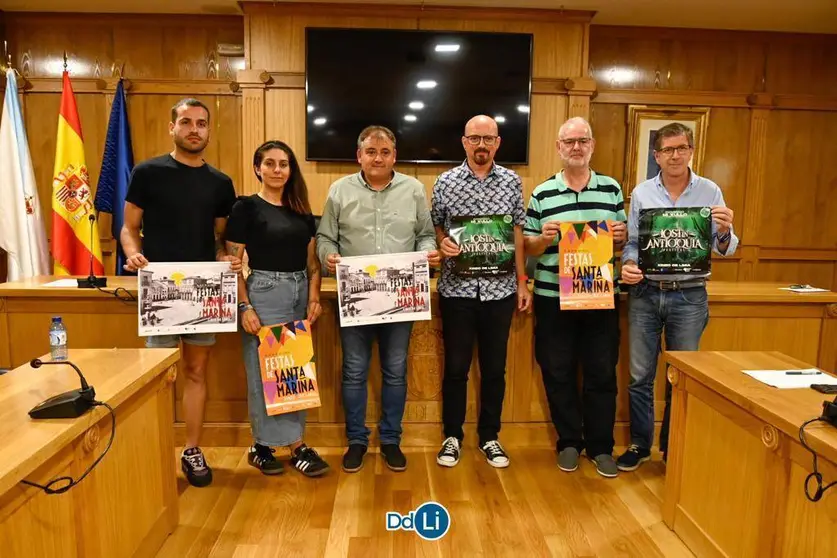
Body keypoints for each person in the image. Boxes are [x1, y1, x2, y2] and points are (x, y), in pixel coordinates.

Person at [121, 98, 240, 488]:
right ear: (172, 127)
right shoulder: (147, 172)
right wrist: (133, 253)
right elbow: (128, 228)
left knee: (195, 371)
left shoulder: (221, 183)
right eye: (186, 122)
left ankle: (191, 449)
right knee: (159, 376)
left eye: (201, 123)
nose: (194, 129)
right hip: (159, 290)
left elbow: (223, 239)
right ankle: (154, 447)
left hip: (204, 291)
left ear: (208, 130)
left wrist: (227, 256)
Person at [317, 125, 439, 473]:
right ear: (359, 156)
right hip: (355, 296)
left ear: (394, 157)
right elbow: (325, 238)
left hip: (402, 297)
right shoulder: (339, 191)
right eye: (371, 152)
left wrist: (428, 252)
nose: (378, 158)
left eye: (385, 152)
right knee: (354, 371)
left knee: (396, 371)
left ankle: (390, 440)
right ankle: (356, 440)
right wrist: (329, 257)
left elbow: (426, 236)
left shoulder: (414, 190)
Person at [617, 122, 738, 472]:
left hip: (689, 296)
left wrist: (727, 231)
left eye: (681, 148)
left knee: (681, 376)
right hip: (645, 293)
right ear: (656, 156)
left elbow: (725, 248)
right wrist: (627, 264)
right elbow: (634, 243)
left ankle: (675, 445)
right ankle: (641, 444)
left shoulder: (710, 191)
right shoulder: (641, 193)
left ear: (691, 151)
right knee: (640, 375)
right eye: (667, 150)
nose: (674, 155)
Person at [523, 117, 627, 478]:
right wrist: (543, 239)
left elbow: (622, 237)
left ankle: (601, 447)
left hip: (599, 295)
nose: (577, 147)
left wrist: (619, 236)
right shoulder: (542, 193)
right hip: (553, 297)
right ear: (559, 148)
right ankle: (569, 441)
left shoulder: (612, 189)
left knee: (601, 373)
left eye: (583, 141)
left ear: (592, 145)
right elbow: (529, 246)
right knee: (558, 370)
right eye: (570, 142)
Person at [431, 115, 532, 469]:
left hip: (500, 291)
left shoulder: (512, 182)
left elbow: (517, 234)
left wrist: (522, 282)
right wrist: (443, 243)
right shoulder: (445, 182)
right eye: (475, 138)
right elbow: (437, 226)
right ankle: (452, 436)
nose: (481, 145)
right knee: (456, 369)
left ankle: (490, 436)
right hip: (456, 290)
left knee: (494, 369)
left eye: (488, 138)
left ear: (498, 143)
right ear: (464, 142)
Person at [224, 140, 330, 477]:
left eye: (283, 164)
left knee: (293, 372)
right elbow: (233, 264)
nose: (277, 170)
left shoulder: (301, 209)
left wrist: (314, 297)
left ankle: (296, 443)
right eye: (269, 163)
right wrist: (244, 306)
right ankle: (263, 446)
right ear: (258, 168)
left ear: (290, 169)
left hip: (299, 292)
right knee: (264, 372)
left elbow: (313, 264)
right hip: (264, 292)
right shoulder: (245, 208)